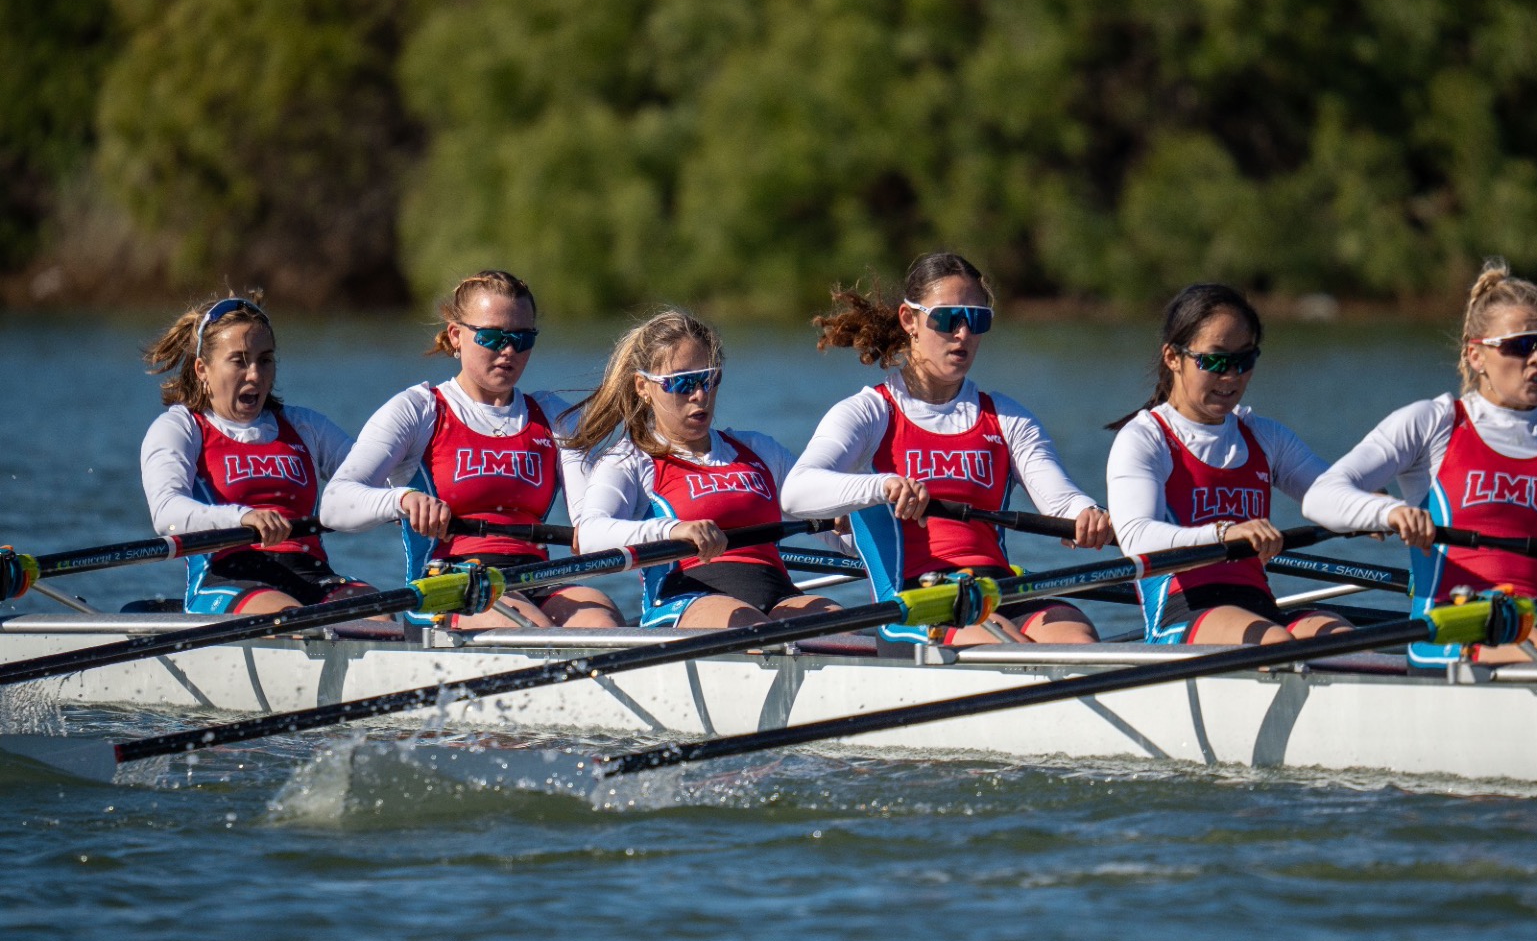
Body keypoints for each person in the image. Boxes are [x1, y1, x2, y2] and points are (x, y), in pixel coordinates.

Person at [1303, 259, 1537, 668]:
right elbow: (1320, 496)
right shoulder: (1433, 423)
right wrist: (1391, 512)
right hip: (1453, 630)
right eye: (1519, 345)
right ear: (1476, 355)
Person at [781, 251, 1111, 646]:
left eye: (977, 320)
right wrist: (882, 486)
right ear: (910, 320)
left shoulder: (1006, 416)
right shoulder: (869, 413)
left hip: (995, 589)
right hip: (917, 601)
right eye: (948, 319)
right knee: (1002, 642)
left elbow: (1060, 500)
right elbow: (796, 491)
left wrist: (1087, 514)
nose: (963, 334)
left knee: (1077, 635)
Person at [319, 270, 622, 630]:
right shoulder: (419, 410)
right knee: (532, 630)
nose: (508, 350)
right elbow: (334, 504)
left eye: (522, 339)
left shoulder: (553, 416)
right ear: (456, 336)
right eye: (493, 337)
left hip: (537, 578)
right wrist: (402, 500)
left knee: (603, 622)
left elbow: (590, 517)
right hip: (448, 585)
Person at [1107, 283, 1351, 645]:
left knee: (1342, 639)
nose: (1231, 376)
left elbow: (1329, 494)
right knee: (1276, 643)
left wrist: (1373, 509)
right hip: (1181, 615)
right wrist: (1223, 533)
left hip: (1260, 608)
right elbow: (1136, 538)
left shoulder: (1265, 436)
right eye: (1216, 360)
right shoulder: (1146, 438)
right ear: (1173, 357)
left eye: (1244, 360)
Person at [569, 309, 838, 628]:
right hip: (684, 601)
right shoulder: (629, 460)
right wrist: (673, 530)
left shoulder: (758, 450)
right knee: (750, 627)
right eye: (683, 383)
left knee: (843, 629)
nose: (701, 395)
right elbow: (588, 535)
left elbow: (831, 518)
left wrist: (854, 521)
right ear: (643, 386)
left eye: (709, 379)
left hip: (779, 594)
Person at [140, 294, 373, 615]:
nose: (255, 375)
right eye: (239, 361)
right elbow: (166, 514)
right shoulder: (181, 428)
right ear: (202, 369)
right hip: (227, 574)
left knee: (376, 613)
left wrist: (407, 500)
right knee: (288, 618)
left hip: (308, 571)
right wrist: (242, 517)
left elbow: (372, 479)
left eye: (265, 360)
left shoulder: (304, 426)